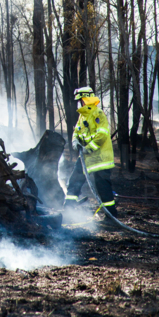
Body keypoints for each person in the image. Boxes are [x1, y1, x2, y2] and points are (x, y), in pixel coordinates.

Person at [64, 86, 117, 218]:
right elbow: (76, 131)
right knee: (74, 180)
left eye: (80, 100)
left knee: (102, 187)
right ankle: (68, 209)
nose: (79, 103)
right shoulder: (83, 116)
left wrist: (88, 148)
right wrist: (75, 141)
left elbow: (102, 135)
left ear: (85, 99)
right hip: (86, 157)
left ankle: (111, 216)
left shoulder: (98, 114)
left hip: (100, 158)